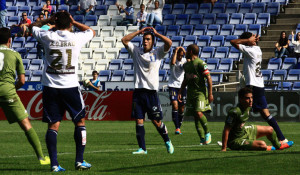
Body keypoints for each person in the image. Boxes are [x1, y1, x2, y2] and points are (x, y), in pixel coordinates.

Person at [30, 11, 96, 172]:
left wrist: (49, 21)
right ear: (70, 24)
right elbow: (91, 31)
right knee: (79, 122)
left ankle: (54, 164)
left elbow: (34, 27)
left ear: (56, 23)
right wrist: (75, 22)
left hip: (51, 87)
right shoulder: (76, 38)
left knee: (53, 125)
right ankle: (79, 161)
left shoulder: (47, 36)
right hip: (70, 86)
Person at [0, 27, 50, 165]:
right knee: (25, 124)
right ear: (10, 40)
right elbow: (22, 80)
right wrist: (12, 89)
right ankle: (41, 157)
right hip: (8, 91)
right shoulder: (15, 54)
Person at [122, 27, 174, 154]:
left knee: (156, 122)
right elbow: (124, 40)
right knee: (139, 120)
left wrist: (157, 33)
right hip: (138, 92)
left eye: (148, 39)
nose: (145, 41)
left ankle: (167, 141)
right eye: (144, 39)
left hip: (151, 93)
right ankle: (142, 148)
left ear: (152, 41)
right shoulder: (136, 51)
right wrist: (139, 32)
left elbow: (169, 43)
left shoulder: (158, 53)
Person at [230, 32, 289, 143]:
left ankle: (282, 138)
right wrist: (250, 40)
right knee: (258, 113)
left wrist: (247, 40)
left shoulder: (251, 50)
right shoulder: (257, 49)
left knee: (241, 112)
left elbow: (233, 42)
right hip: (257, 84)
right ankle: (282, 138)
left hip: (253, 85)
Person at [221, 87, 294, 151]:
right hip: (235, 140)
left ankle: (278, 146)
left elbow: (263, 110)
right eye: (247, 98)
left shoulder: (249, 107)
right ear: (240, 99)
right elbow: (226, 130)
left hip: (245, 131)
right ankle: (268, 148)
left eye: (252, 97)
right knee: (262, 144)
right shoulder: (235, 112)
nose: (251, 100)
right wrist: (224, 148)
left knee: (270, 129)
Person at [178, 44, 213, 145]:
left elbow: (209, 79)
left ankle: (207, 133)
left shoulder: (201, 63)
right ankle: (202, 138)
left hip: (200, 93)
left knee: (198, 112)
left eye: (187, 51)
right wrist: (180, 91)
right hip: (191, 93)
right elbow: (186, 79)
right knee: (195, 116)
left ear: (191, 52)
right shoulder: (187, 65)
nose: (185, 53)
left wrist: (210, 94)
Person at [168, 46, 187, 135]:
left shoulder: (184, 61)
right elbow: (172, 63)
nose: (180, 57)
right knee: (175, 105)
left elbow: (190, 60)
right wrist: (175, 52)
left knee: (181, 108)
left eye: (181, 55)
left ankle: (179, 126)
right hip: (173, 85)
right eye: (179, 55)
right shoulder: (173, 60)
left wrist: (184, 51)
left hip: (182, 86)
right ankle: (177, 128)